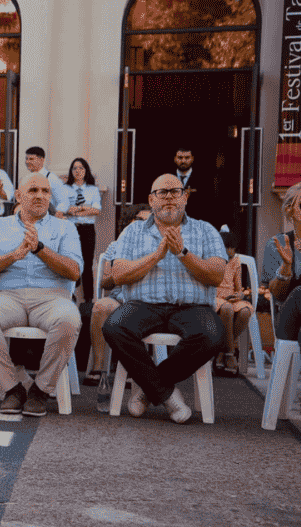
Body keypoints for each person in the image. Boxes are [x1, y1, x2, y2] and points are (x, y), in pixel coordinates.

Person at [102, 174, 226, 423]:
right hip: (143, 305)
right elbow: (119, 274)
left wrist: (182, 253)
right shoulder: (133, 231)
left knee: (213, 334)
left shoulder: (205, 230)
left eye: (175, 191)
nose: (169, 197)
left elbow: (216, 275)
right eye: (162, 192)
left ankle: (150, 388)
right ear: (151, 199)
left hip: (192, 307)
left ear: (185, 197)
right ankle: (168, 395)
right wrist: (156, 256)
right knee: (114, 327)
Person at [0, 173, 83, 416]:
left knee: (70, 319)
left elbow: (74, 271)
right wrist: (12, 256)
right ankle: (12, 388)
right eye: (33, 190)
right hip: (6, 296)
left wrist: (40, 249)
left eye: (45, 191)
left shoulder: (65, 227)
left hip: (52, 297)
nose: (40, 195)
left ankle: (41, 390)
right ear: (19, 196)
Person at [260, 180, 301, 439]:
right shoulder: (278, 244)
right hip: (287, 322)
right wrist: (285, 269)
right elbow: (277, 293)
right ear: (290, 211)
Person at [84, 204, 149, 388]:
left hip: (145, 300)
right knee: (100, 306)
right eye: (139, 220)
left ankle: (132, 368)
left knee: (136, 311)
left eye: (149, 221)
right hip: (119, 296)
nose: (144, 224)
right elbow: (105, 283)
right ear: (129, 222)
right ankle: (99, 368)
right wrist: (121, 272)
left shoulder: (157, 247)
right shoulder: (116, 245)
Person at [59, 158, 101, 302]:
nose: (78, 171)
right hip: (71, 230)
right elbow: (62, 209)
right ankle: (71, 295)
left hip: (88, 229)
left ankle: (88, 299)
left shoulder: (93, 189)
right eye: (75, 168)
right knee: (72, 261)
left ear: (86, 170)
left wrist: (79, 209)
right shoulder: (65, 189)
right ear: (71, 171)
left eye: (81, 168)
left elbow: (96, 210)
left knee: (88, 263)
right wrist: (74, 210)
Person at [212, 230, 252, 376]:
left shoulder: (235, 261)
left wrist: (239, 294)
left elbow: (239, 286)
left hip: (230, 297)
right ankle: (230, 353)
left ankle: (220, 352)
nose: (230, 251)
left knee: (245, 311)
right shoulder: (212, 258)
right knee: (227, 308)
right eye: (227, 247)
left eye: (232, 248)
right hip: (214, 296)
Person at [24, 146, 67, 214]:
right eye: (26, 159)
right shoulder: (26, 179)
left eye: (31, 159)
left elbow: (63, 201)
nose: (27, 162)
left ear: (42, 160)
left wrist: (58, 214)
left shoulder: (51, 178)